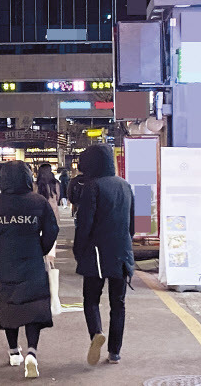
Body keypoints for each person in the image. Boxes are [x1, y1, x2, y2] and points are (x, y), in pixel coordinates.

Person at [0, 161, 59, 378]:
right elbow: (52, 229)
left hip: (6, 260)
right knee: (33, 306)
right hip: (32, 259)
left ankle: (14, 352)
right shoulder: (38, 202)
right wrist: (41, 249)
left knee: (9, 305)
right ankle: (32, 352)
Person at [73, 144, 135, 366]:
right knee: (118, 304)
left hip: (96, 253)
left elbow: (85, 224)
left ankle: (96, 334)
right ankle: (115, 352)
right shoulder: (126, 186)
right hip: (122, 253)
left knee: (91, 300)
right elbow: (132, 226)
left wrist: (78, 251)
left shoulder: (92, 186)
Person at [35, 163, 60, 264]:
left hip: (38, 214)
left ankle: (41, 258)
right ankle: (50, 261)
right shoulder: (55, 184)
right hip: (53, 213)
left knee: (39, 238)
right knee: (51, 238)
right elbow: (58, 198)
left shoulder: (35, 185)